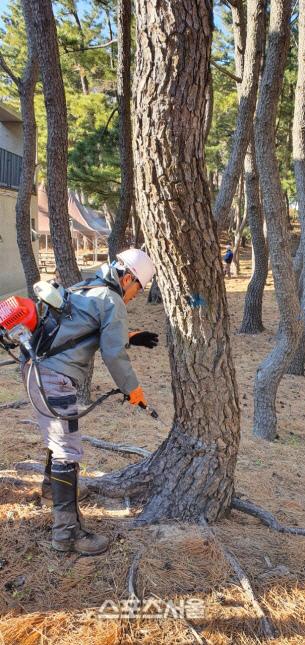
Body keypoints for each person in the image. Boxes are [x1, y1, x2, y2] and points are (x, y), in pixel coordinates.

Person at [23, 248, 158, 556]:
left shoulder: (83, 287)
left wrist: (131, 334)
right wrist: (132, 390)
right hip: (54, 377)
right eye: (137, 288)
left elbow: (79, 326)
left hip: (35, 369)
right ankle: (67, 534)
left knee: (59, 438)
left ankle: (49, 489)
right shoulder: (112, 300)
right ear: (126, 278)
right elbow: (114, 354)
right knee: (67, 450)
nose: (136, 295)